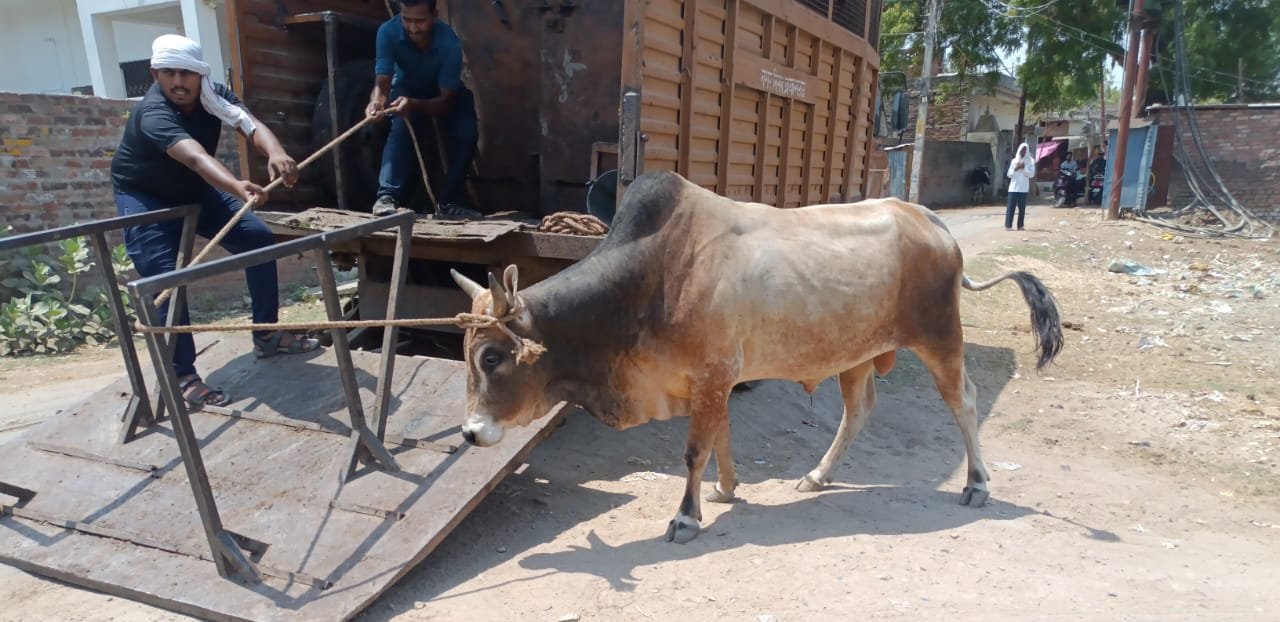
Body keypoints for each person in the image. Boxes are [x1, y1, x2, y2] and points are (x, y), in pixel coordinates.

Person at [111, 34, 320, 408]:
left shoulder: (213, 94)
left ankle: (266, 334)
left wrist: (276, 151)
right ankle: (182, 375)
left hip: (194, 187)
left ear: (200, 75)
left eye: (187, 73)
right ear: (154, 73)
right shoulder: (153, 112)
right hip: (147, 195)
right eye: (170, 73)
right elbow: (194, 157)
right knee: (165, 277)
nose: (179, 82)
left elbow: (248, 123)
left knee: (256, 238)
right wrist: (237, 185)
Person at [367, 0, 481, 219]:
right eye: (406, 20)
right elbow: (383, 80)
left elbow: (445, 102)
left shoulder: (450, 43)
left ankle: (450, 201)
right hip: (407, 86)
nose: (412, 28)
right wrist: (376, 103)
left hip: (445, 94)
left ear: (435, 16)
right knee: (400, 126)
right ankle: (387, 197)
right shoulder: (387, 32)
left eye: (420, 21)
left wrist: (414, 104)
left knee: (467, 132)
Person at [1005, 142, 1035, 231]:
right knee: (1010, 208)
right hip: (1013, 188)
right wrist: (1016, 168)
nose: (1023, 152)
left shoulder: (1030, 161)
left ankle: (1020, 226)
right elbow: (1009, 174)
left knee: (1022, 209)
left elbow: (1031, 174)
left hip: (1023, 189)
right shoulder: (1014, 161)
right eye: (1022, 150)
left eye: (1025, 150)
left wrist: (1024, 168)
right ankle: (1008, 225)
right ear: (1019, 150)